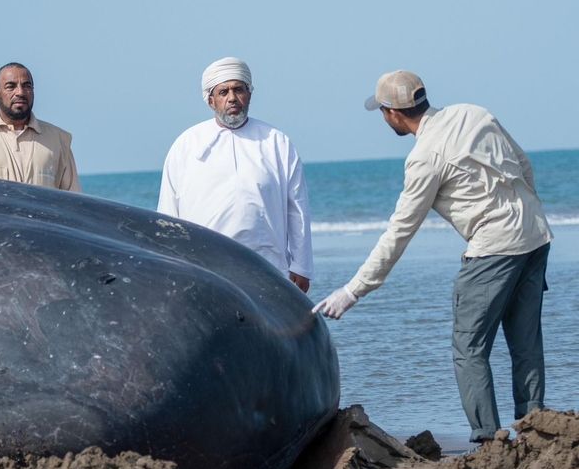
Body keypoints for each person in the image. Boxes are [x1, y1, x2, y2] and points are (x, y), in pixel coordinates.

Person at [312, 70, 553, 443]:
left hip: (493, 249)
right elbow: (523, 165)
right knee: (525, 343)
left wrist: (353, 291)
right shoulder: (474, 113)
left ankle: (488, 438)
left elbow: (400, 232)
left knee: (469, 348)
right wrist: (530, 222)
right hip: (535, 236)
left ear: (392, 113)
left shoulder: (424, 157)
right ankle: (538, 429)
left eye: (381, 111)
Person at [158, 56, 313, 292]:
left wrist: (302, 267)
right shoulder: (186, 145)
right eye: (223, 92)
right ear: (210, 100)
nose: (232, 98)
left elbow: (297, 208)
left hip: (267, 267)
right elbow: (168, 213)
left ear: (249, 94)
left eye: (239, 89)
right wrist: (169, 266)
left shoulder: (276, 142)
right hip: (203, 267)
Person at [0, 62, 81, 192]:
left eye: (26, 86)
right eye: (10, 86)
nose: (20, 92)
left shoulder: (58, 140)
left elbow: (74, 201)